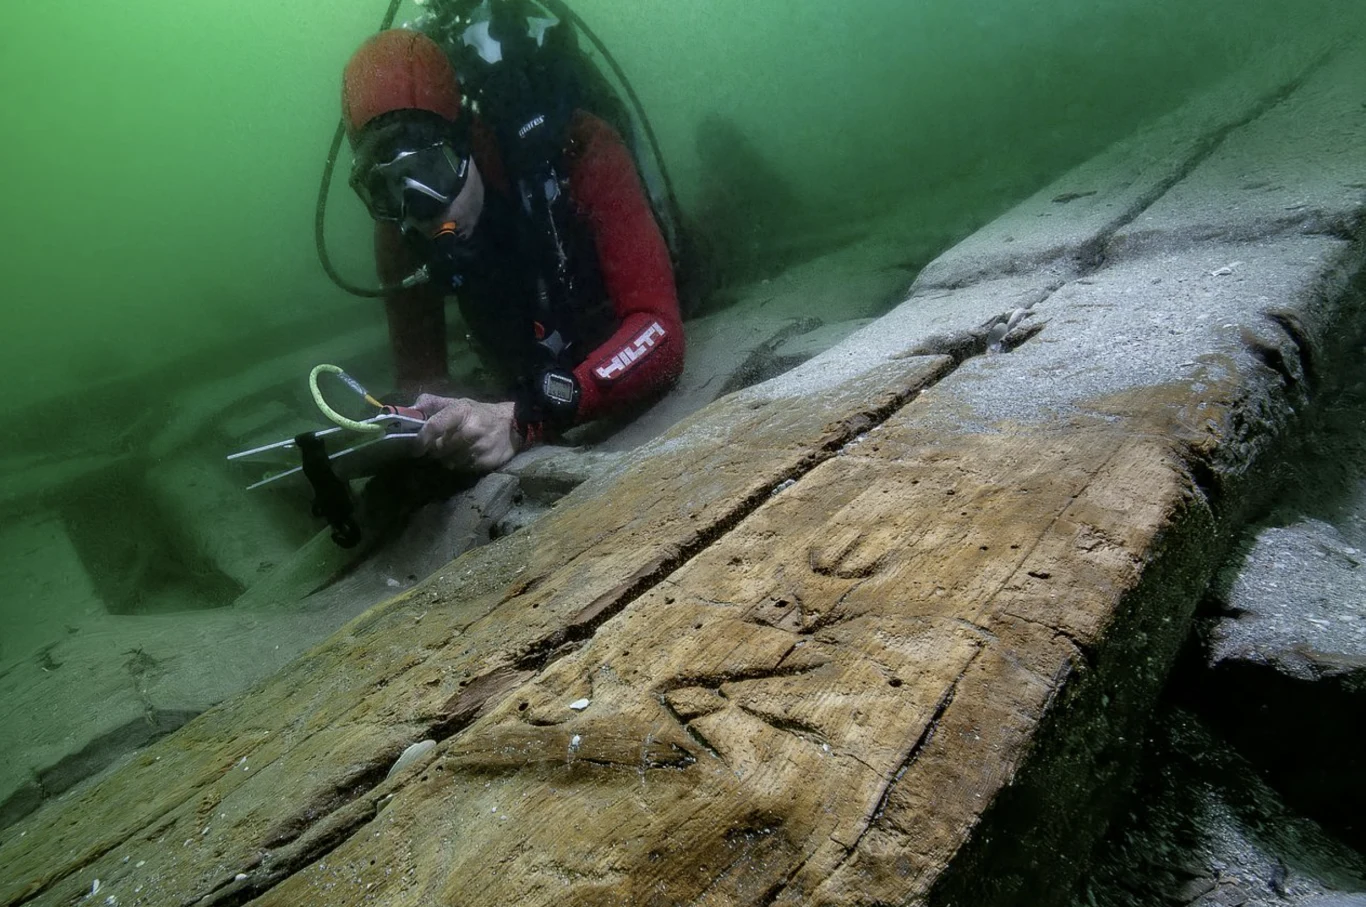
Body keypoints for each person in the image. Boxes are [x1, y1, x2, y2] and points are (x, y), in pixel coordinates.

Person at [340, 24, 685, 474]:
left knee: (700, 266)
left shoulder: (577, 146)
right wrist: (407, 424)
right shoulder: (399, 227)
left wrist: (527, 417)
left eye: (431, 170)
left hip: (612, 311)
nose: (419, 211)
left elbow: (659, 330)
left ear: (465, 139)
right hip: (533, 352)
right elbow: (421, 379)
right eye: (383, 189)